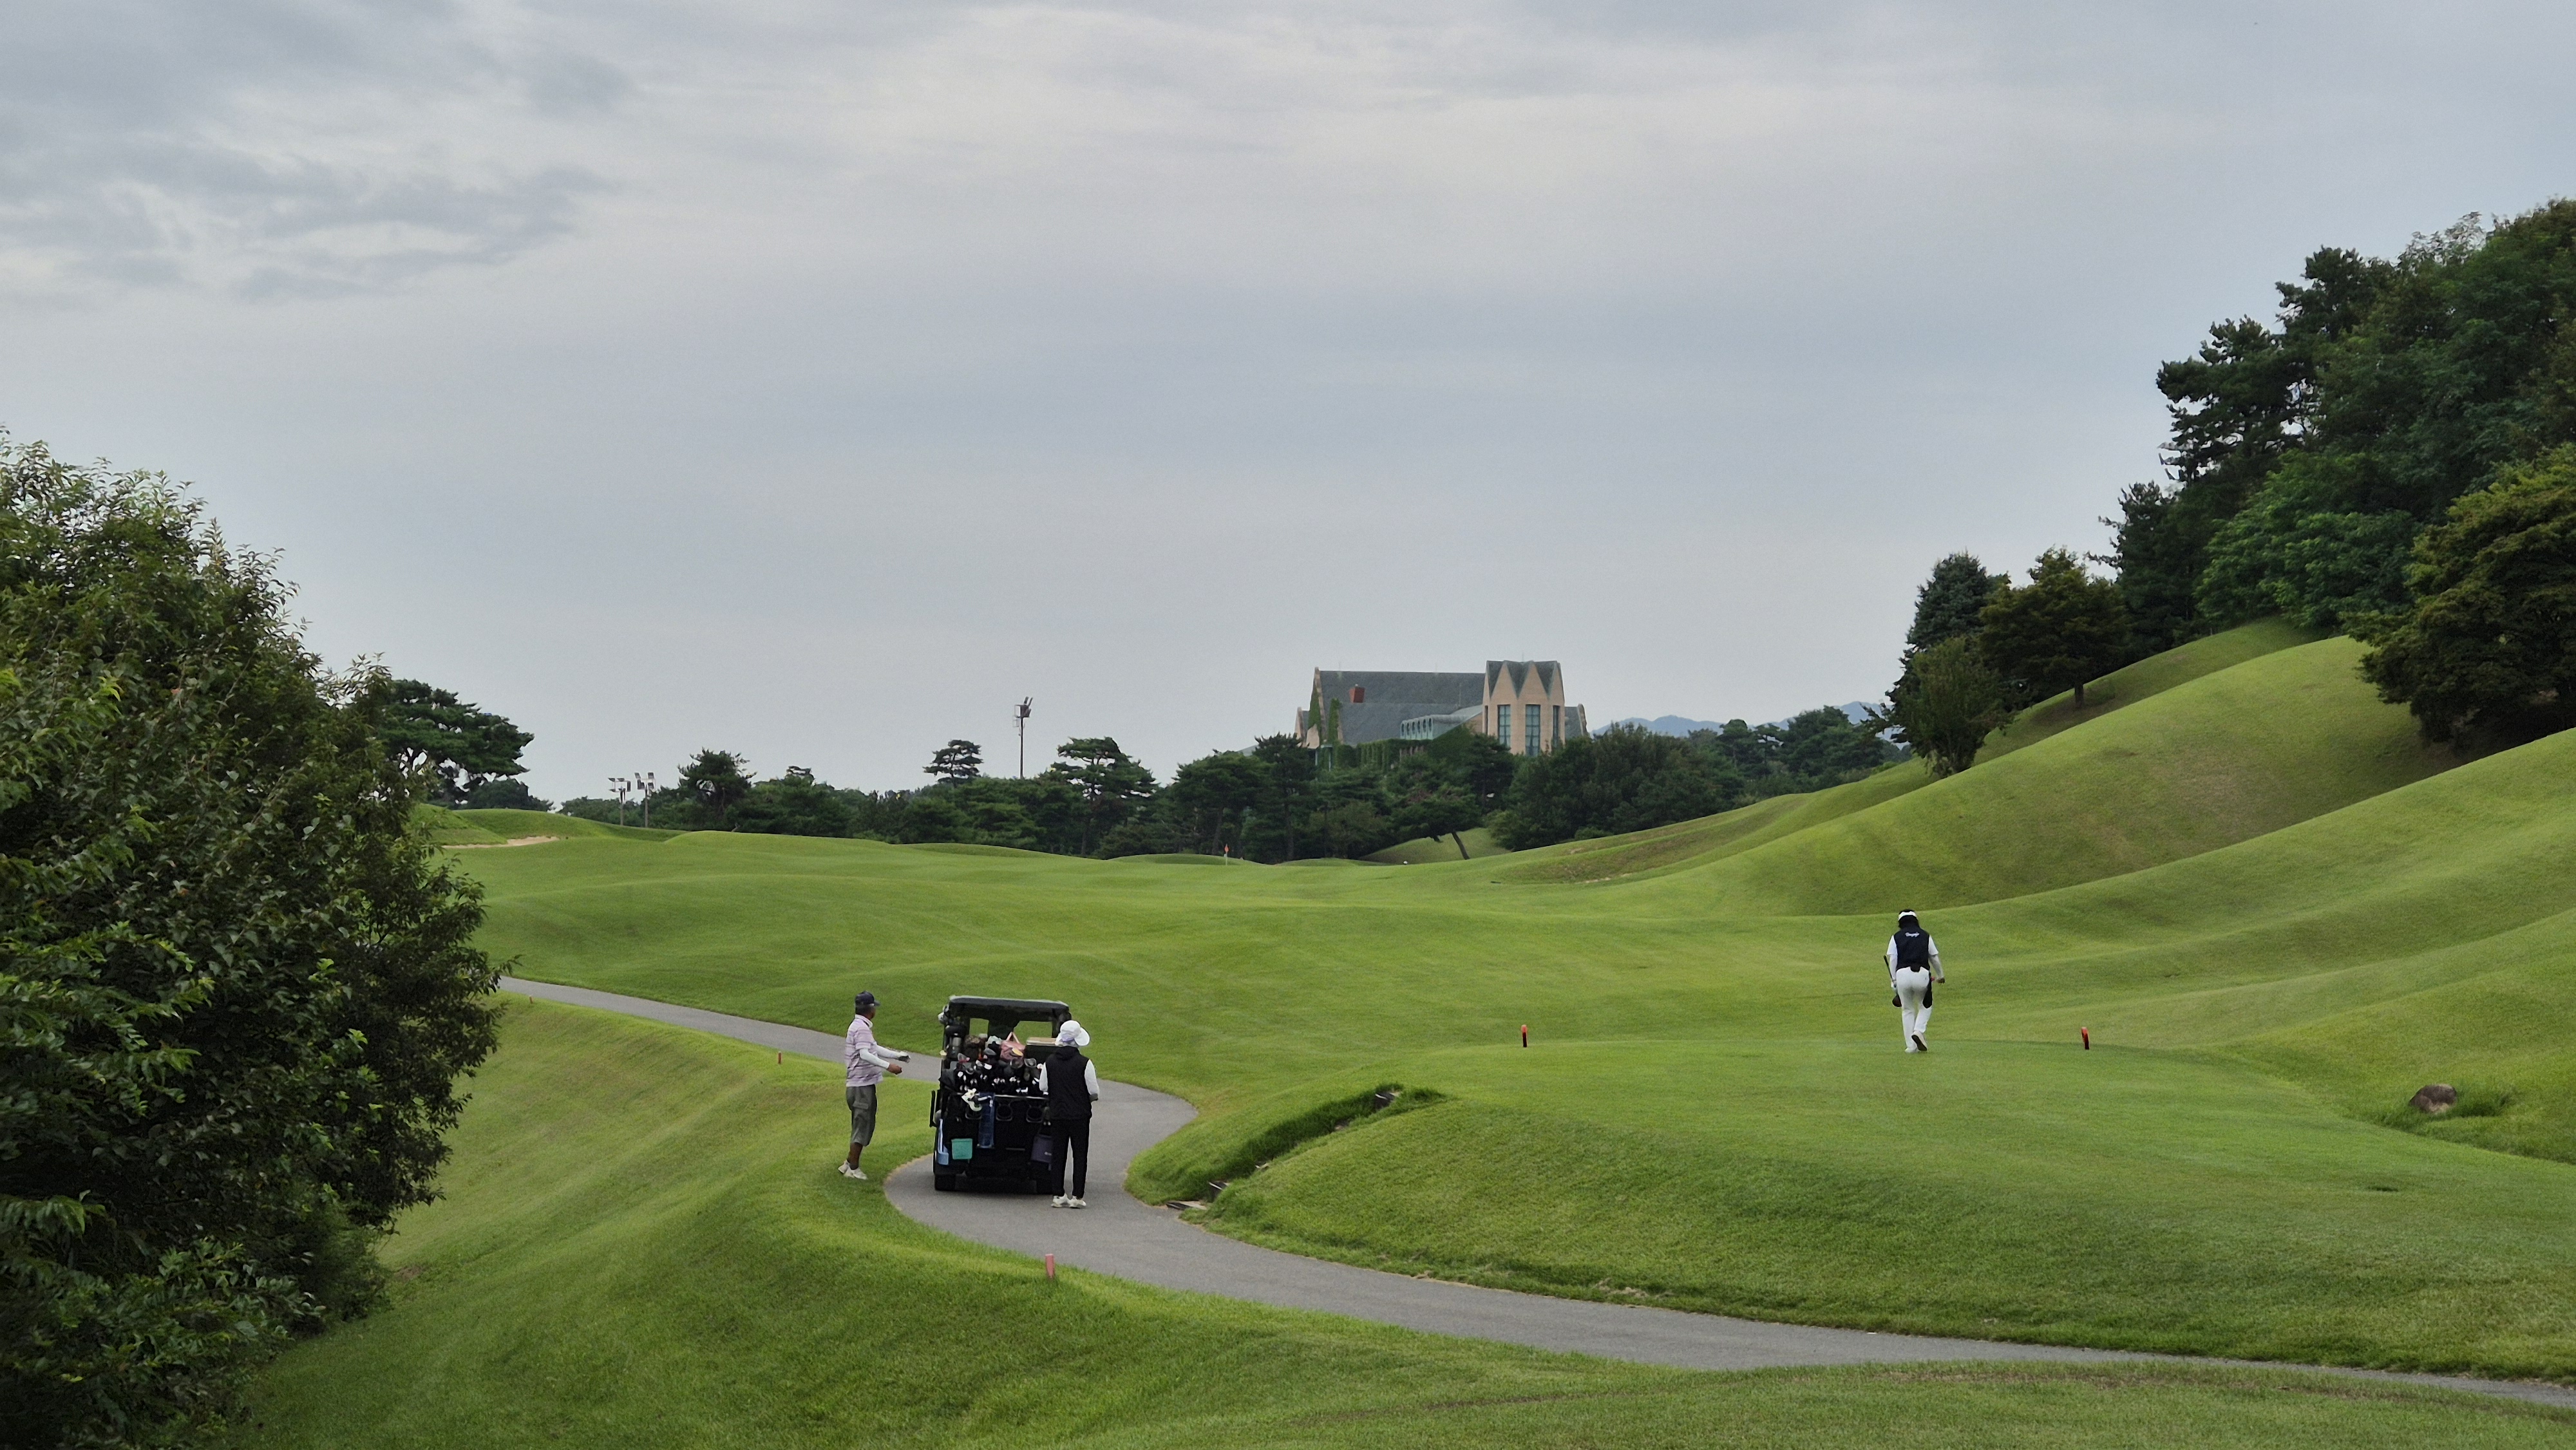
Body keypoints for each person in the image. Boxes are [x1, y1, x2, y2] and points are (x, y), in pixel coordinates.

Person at [1037, 1018, 1101, 1208]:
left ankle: (1058, 1194)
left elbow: (1043, 1087)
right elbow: (1094, 1092)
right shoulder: (1085, 1063)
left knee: (1058, 1154)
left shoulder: (1050, 1062)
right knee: (1080, 1154)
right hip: (1080, 1115)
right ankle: (1077, 1196)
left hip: (1058, 1114)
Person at [842, 991, 905, 1180]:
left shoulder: (860, 1026)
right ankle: (853, 1169)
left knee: (862, 1125)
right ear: (870, 1009)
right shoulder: (861, 1028)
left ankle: (848, 1163)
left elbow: (873, 1048)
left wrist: (897, 1055)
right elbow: (864, 1054)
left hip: (861, 1085)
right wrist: (889, 1066)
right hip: (861, 1086)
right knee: (862, 1126)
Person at [1885, 910, 1946, 1053]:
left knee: (1907, 1010)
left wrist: (1893, 979)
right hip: (1922, 975)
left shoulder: (1896, 937)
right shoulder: (1925, 935)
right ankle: (1918, 1031)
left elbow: (1893, 959)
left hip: (1902, 976)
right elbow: (1934, 958)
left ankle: (1911, 1047)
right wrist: (1940, 975)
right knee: (1925, 1006)